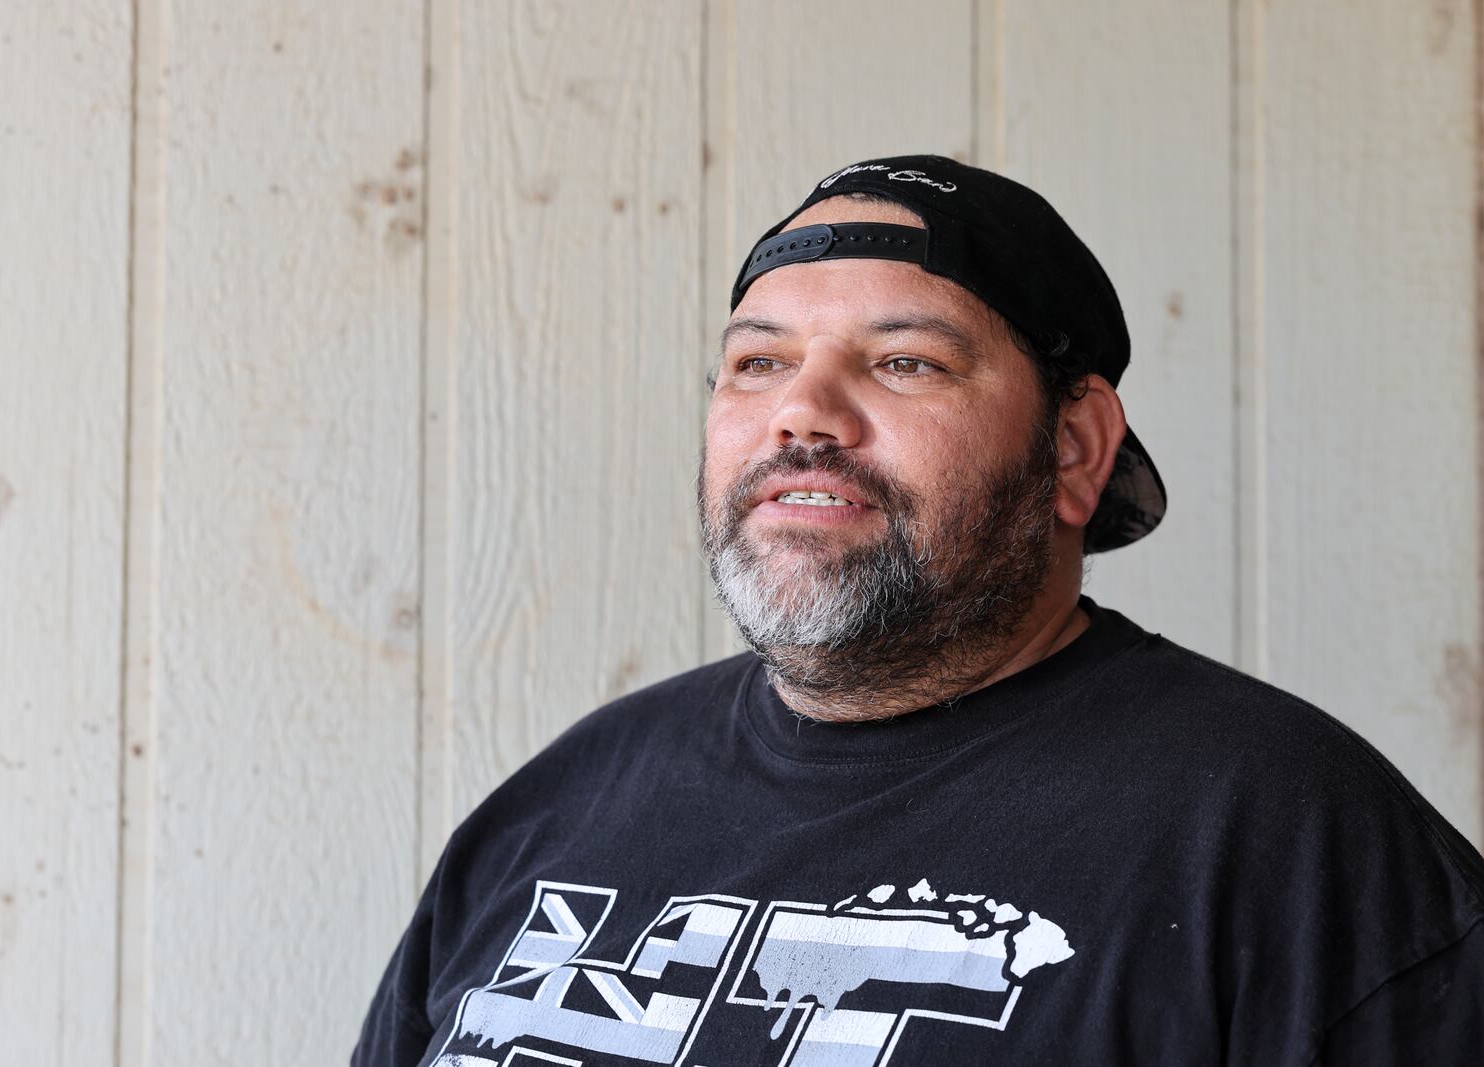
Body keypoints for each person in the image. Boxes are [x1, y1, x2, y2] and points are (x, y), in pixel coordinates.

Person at [351, 155, 1484, 1065]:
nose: (802, 410)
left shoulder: (1290, 842)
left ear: (1075, 448)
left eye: (903, 361)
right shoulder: (555, 811)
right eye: (755, 363)